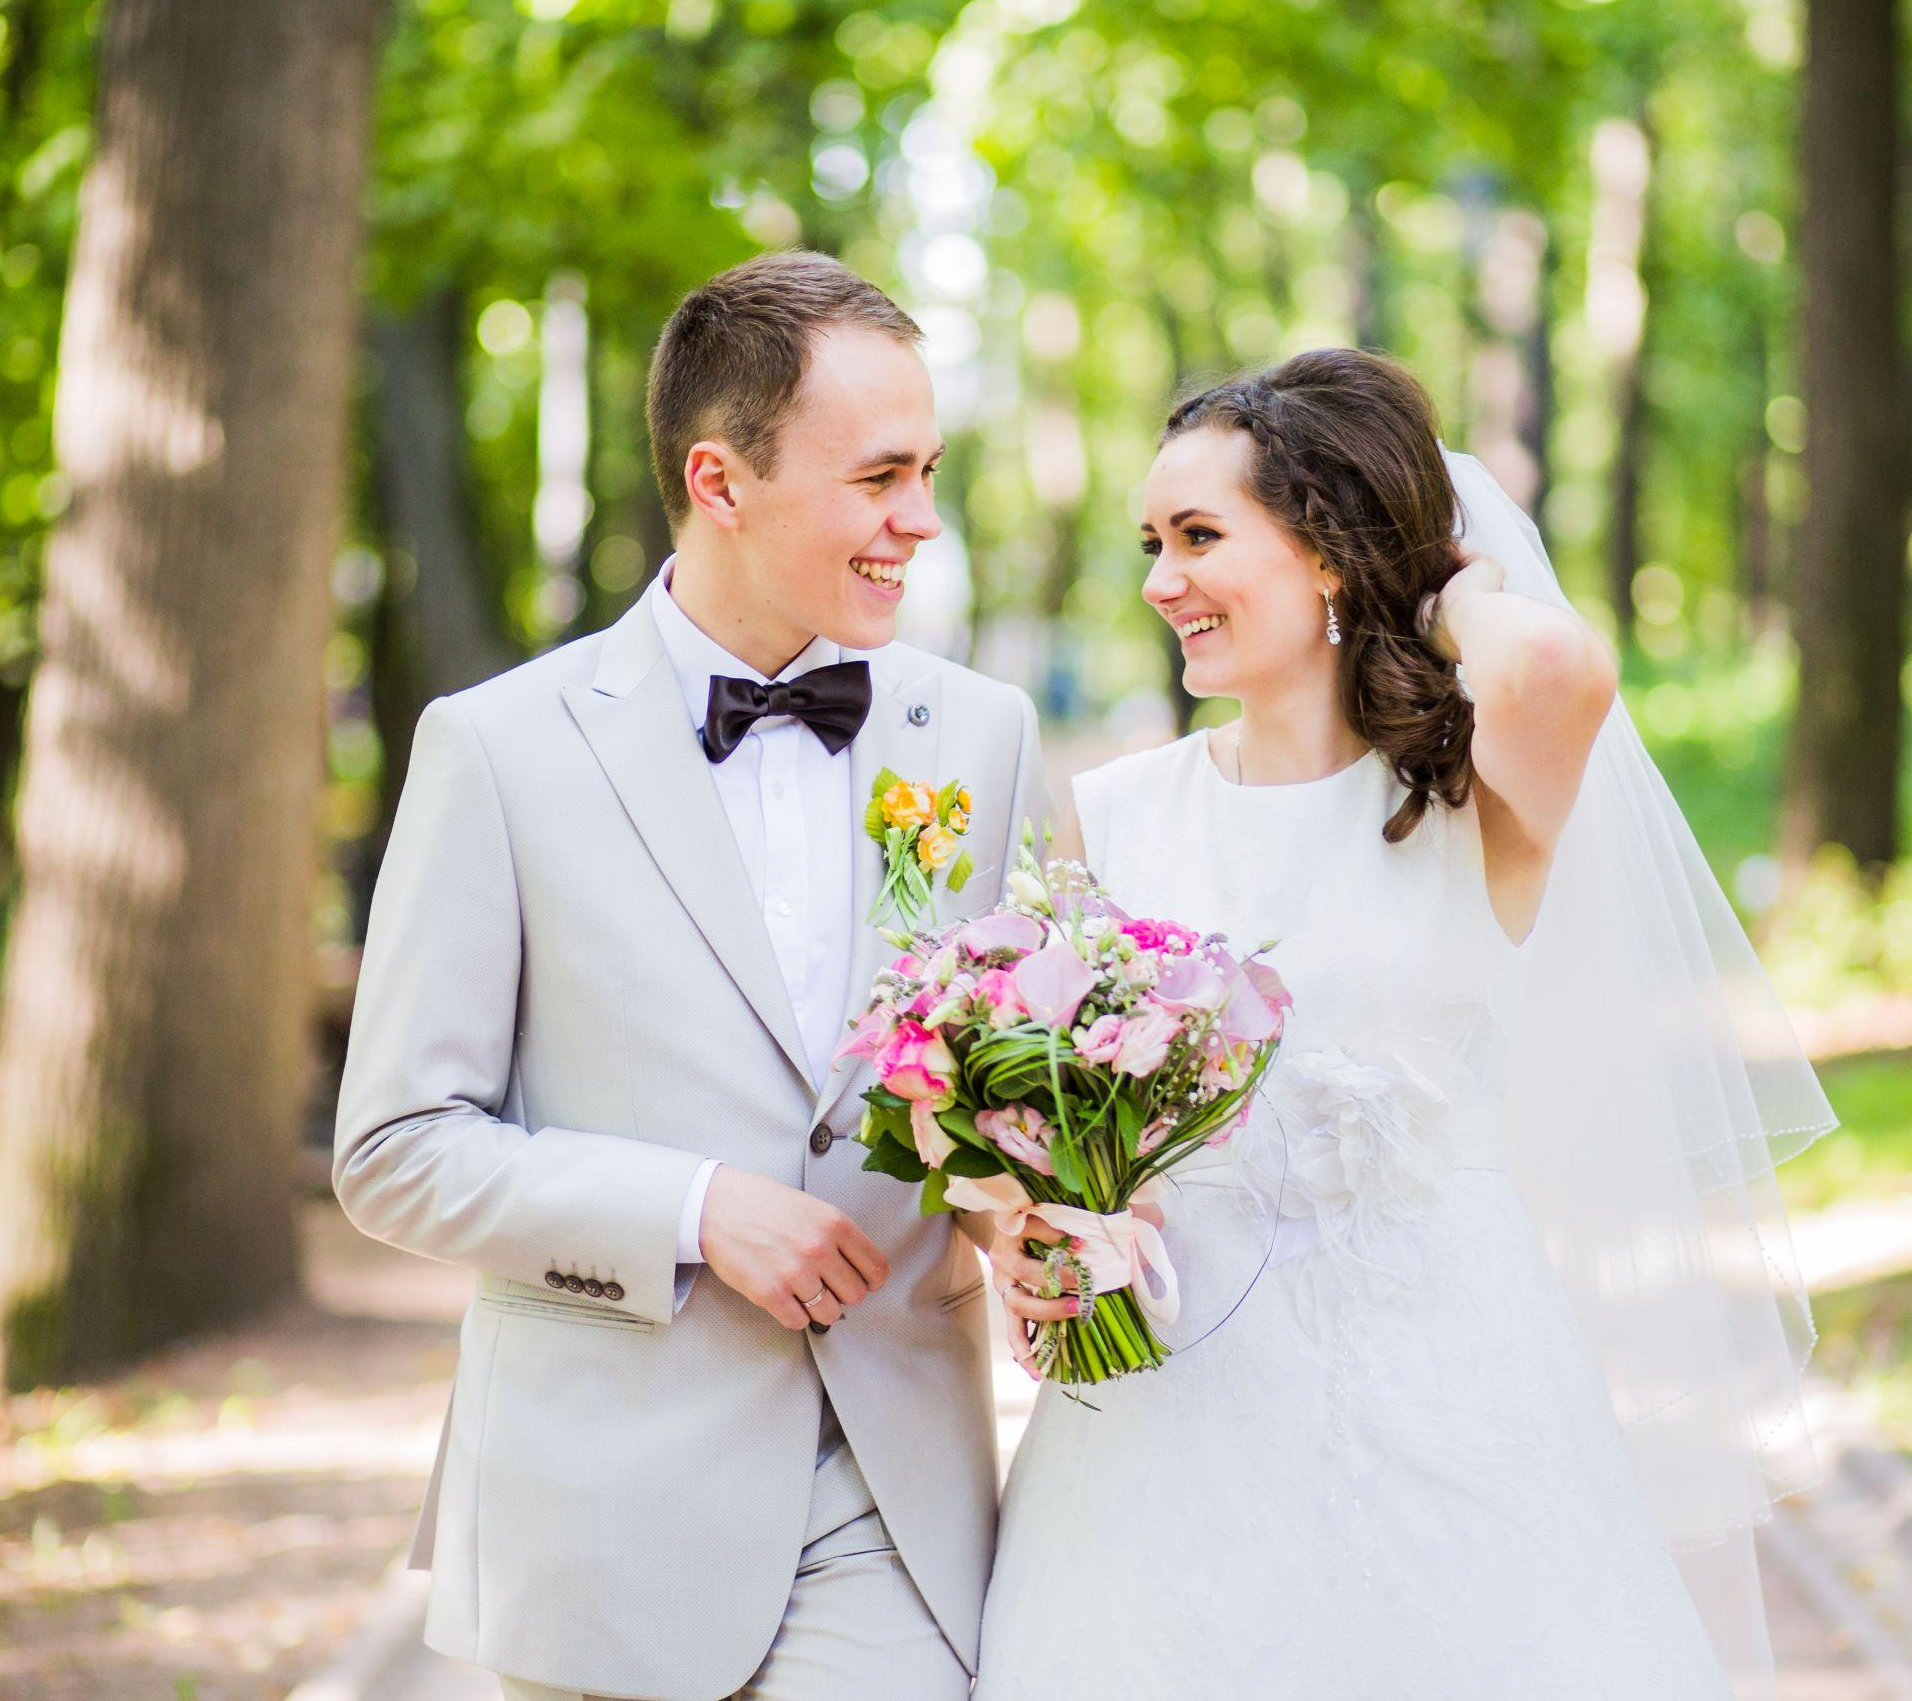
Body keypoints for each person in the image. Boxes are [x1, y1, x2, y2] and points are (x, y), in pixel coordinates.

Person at [974, 347, 1832, 1699]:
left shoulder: (1474, 802)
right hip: (1167, 1431)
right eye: (1152, 541)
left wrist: (1444, 591)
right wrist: (1035, 1224)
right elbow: (1055, 1126)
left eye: (1201, 536)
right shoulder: (1117, 817)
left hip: (1454, 1410)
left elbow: (1552, 660)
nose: (1160, 583)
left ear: (1325, 551)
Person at [335, 250, 1047, 1701]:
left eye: (931, 471)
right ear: (720, 482)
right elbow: (396, 1150)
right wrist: (695, 1211)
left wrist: (1038, 1218)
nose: (920, 520)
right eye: (880, 477)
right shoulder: (502, 749)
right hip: (602, 1507)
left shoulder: (979, 737)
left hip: (890, 1495)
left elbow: (1006, 1088)